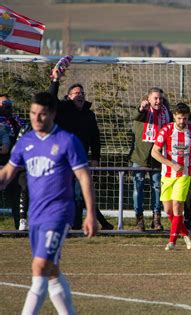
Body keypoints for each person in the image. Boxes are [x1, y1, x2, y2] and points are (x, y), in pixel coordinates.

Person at [0, 92, 98, 314]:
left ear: (53, 114)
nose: (36, 118)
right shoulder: (26, 141)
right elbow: (7, 174)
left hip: (59, 213)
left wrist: (90, 213)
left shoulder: (67, 141)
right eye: (33, 113)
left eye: (42, 114)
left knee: (39, 266)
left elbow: (84, 177)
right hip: (36, 215)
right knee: (51, 270)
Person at [49, 68, 113, 231]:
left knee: (79, 194)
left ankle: (75, 226)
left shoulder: (89, 115)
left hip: (80, 160)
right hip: (61, 159)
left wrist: (96, 158)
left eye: (82, 93)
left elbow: (95, 138)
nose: (81, 95)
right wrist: (55, 80)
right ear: (69, 97)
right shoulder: (62, 110)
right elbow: (50, 100)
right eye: (76, 93)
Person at [151, 103, 191, 250]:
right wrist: (171, 164)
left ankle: (172, 242)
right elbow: (155, 152)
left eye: (185, 118)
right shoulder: (166, 130)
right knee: (168, 210)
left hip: (184, 174)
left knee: (178, 206)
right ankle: (185, 234)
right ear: (174, 116)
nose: (182, 121)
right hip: (167, 174)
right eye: (179, 118)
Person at [130, 87, 171, 231]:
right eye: (155, 98)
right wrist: (141, 108)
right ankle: (139, 220)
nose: (158, 101)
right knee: (138, 188)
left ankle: (156, 219)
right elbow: (135, 115)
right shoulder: (143, 112)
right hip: (140, 157)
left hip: (158, 157)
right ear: (148, 99)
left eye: (160, 98)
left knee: (157, 188)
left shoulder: (167, 114)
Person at [0, 94, 26, 230]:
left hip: (14, 165)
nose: (7, 106)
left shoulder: (18, 121)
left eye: (8, 103)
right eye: (3, 103)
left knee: (16, 195)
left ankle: (18, 227)